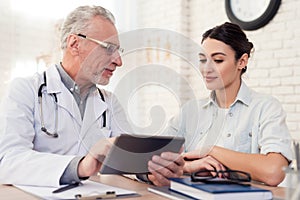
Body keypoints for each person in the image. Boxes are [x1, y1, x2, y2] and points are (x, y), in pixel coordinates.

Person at [0, 5, 184, 187]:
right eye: (109, 48)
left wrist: (152, 172)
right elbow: (9, 161)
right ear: (75, 44)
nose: (118, 61)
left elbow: (128, 159)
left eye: (118, 51)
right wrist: (80, 166)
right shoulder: (26, 89)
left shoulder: (109, 102)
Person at [164, 22, 292, 186]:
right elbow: (153, 159)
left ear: (242, 62)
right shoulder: (190, 111)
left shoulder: (266, 107)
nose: (206, 69)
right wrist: (188, 166)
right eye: (203, 60)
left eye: (217, 60)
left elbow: (274, 172)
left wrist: (211, 150)